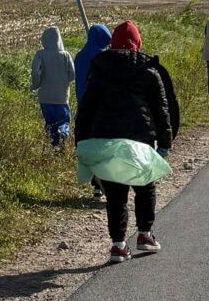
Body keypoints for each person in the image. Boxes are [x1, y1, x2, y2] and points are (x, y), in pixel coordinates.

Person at [73, 18, 174, 262]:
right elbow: (161, 110)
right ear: (138, 42)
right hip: (141, 141)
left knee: (115, 194)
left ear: (113, 43)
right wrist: (165, 142)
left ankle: (118, 245)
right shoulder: (149, 71)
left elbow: (86, 109)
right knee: (145, 186)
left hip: (107, 141)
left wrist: (81, 141)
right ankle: (144, 235)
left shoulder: (99, 70)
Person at [29, 22, 77, 148]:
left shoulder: (40, 54)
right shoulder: (66, 55)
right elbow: (73, 75)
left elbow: (35, 72)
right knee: (63, 121)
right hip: (61, 97)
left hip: (45, 97)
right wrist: (65, 81)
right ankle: (63, 133)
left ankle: (54, 145)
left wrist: (35, 85)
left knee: (50, 123)